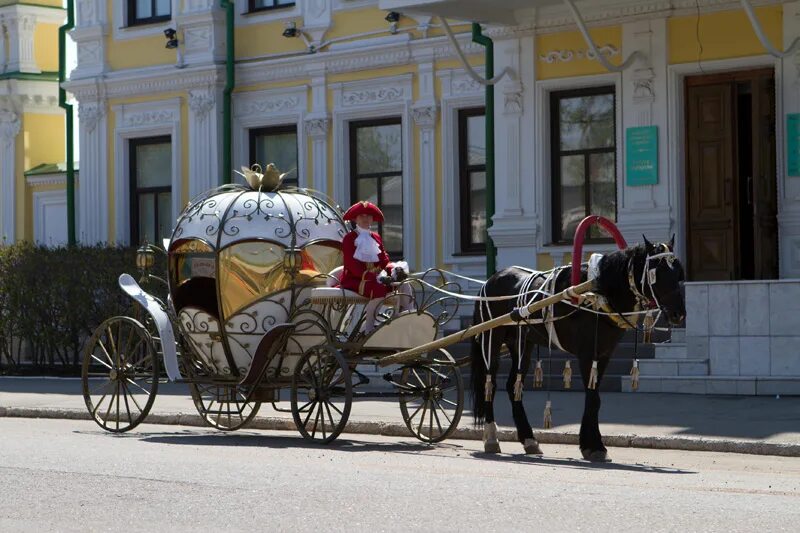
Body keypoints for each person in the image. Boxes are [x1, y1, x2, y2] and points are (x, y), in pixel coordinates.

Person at [340, 201, 413, 334]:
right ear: (355, 218)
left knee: (404, 284)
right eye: (362, 215)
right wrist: (371, 276)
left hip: (377, 278)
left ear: (372, 219)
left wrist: (393, 269)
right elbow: (351, 264)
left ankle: (408, 317)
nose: (365, 218)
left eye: (368, 216)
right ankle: (369, 328)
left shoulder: (376, 237)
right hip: (355, 279)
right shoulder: (349, 238)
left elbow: (383, 260)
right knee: (378, 289)